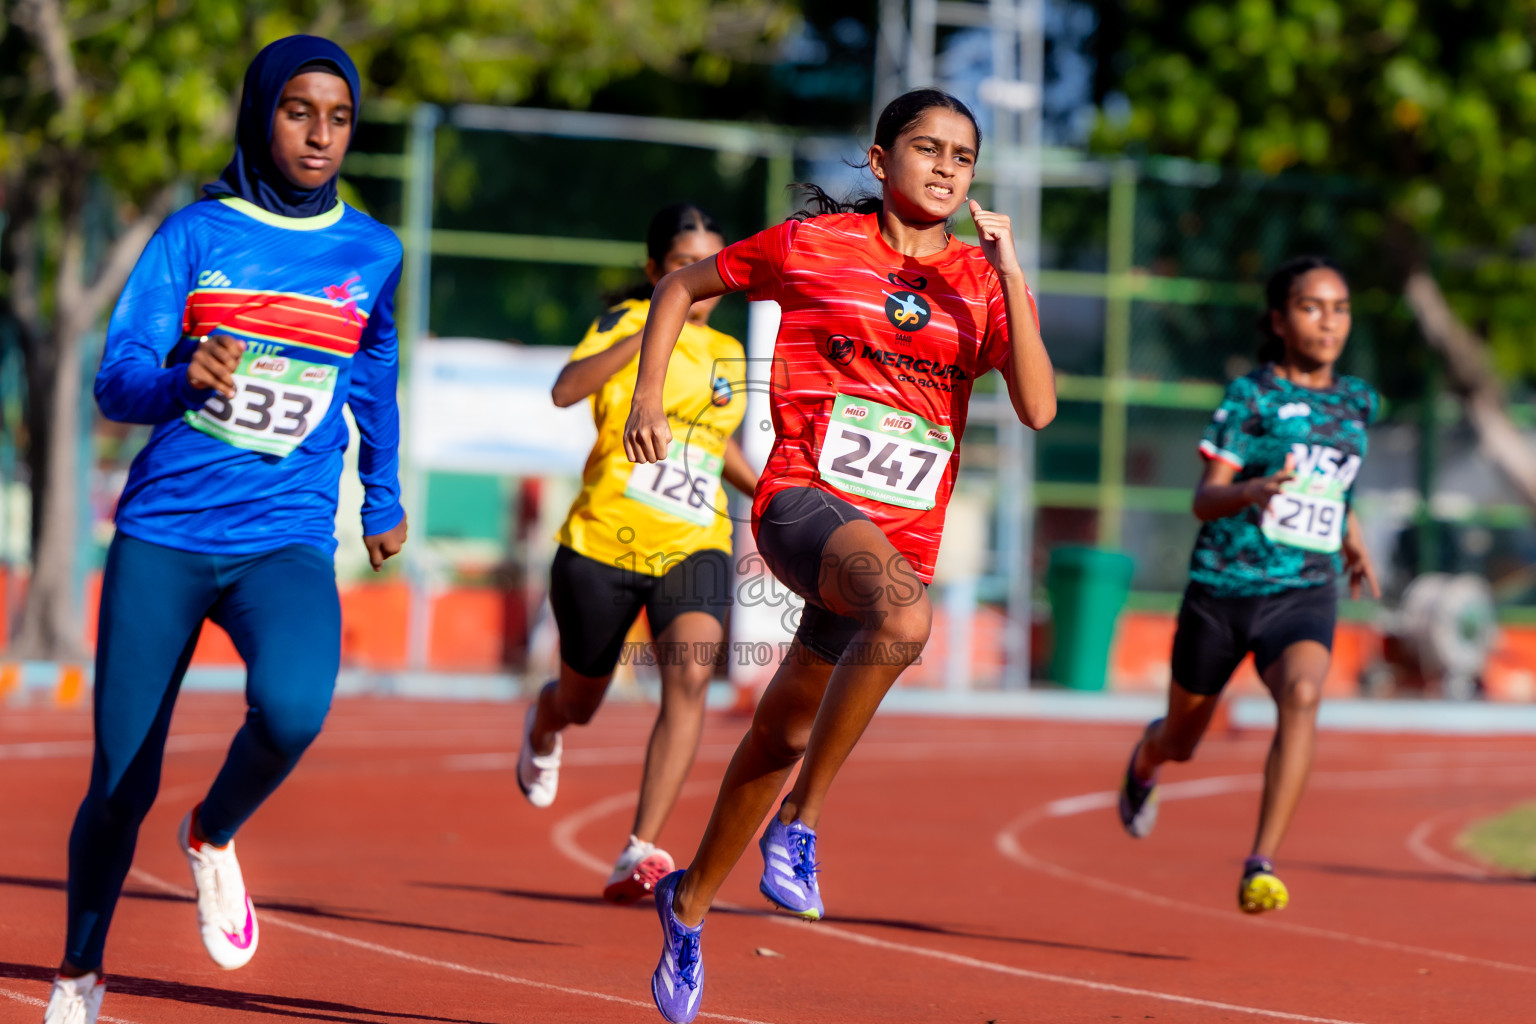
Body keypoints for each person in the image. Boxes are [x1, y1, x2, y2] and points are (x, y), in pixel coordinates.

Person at [623, 88, 1056, 1022]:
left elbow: (1037, 406)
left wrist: (1011, 271)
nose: (945, 168)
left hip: (897, 534)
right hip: (802, 503)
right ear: (880, 159)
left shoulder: (981, 283)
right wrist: (648, 394)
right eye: (927, 148)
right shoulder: (812, 246)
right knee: (906, 614)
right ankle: (800, 821)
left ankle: (688, 904)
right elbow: (681, 287)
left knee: (781, 732)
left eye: (963, 157)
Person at [44, 36, 407, 1024]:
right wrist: (180, 376)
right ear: (261, 115)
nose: (320, 135)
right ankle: (79, 972)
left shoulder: (373, 251)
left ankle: (211, 832)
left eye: (339, 117)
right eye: (298, 111)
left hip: (283, 536)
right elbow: (117, 380)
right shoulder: (195, 235)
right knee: (121, 778)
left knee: (294, 709)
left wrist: (380, 495)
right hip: (165, 533)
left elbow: (374, 374)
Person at [1117, 256, 1380, 914]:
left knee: (1303, 694)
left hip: (1304, 590)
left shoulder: (1358, 401)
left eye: (1341, 308)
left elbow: (1335, 485)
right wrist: (1252, 491)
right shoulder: (1251, 397)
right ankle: (1147, 757)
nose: (1329, 322)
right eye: (1312, 307)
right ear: (1280, 320)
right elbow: (1204, 499)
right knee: (1182, 743)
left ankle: (1261, 863)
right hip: (1223, 589)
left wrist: (1351, 535)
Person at [518, 204, 758, 904]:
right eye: (684, 267)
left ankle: (640, 849)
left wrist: (769, 492)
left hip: (696, 540)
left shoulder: (729, 353)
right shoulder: (624, 322)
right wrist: (650, 328)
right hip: (605, 541)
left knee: (690, 679)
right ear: (656, 271)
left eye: (710, 267)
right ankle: (546, 719)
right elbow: (566, 391)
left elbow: (714, 444)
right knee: (581, 701)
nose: (700, 281)